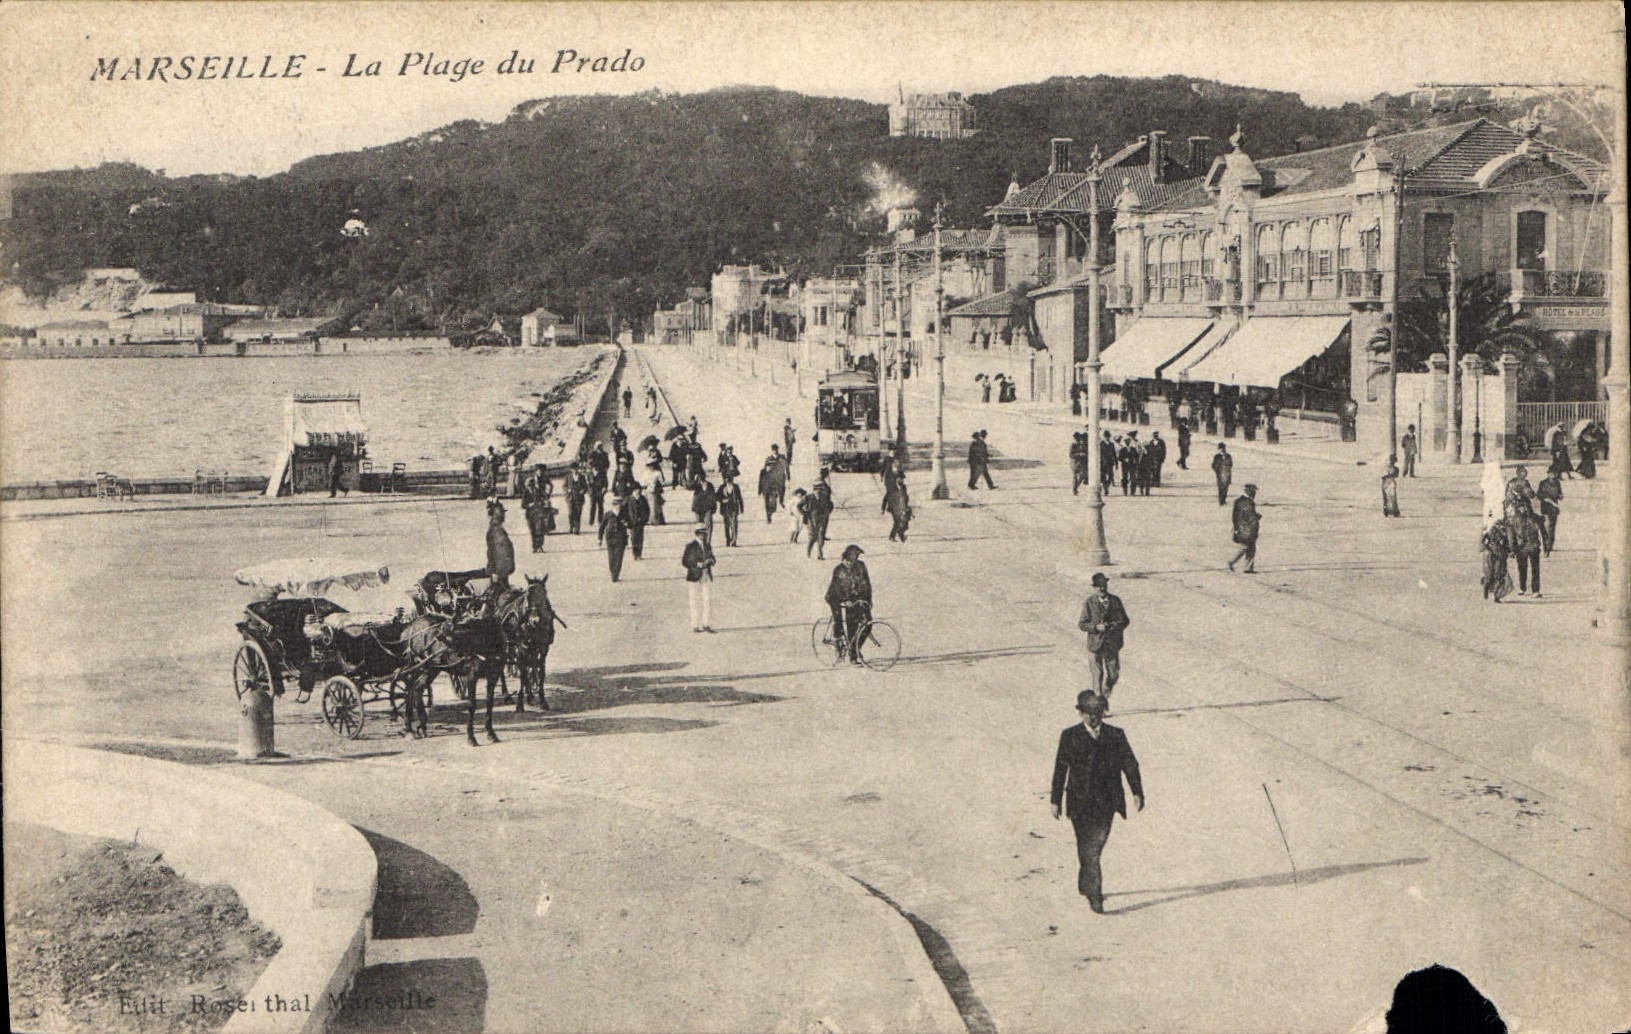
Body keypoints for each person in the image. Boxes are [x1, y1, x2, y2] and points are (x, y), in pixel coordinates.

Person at [1050, 690, 1144, 914]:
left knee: (1094, 847)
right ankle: (1095, 893)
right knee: (1088, 848)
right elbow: (1060, 769)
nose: (1093, 718)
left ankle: (1087, 881)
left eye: (1098, 713)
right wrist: (1055, 800)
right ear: (1080, 713)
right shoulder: (1069, 736)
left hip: (1107, 802)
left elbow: (1130, 764)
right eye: (1089, 713)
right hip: (1079, 803)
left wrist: (1137, 792)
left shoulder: (1116, 735)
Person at [1078, 573, 1130, 699]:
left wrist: (1112, 626)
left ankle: (1105, 695)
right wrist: (1096, 627)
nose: (1101, 588)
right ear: (1094, 588)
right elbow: (1082, 624)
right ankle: (1099, 703)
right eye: (1098, 586)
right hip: (1095, 644)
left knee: (1114, 674)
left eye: (1103, 585)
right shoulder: (1089, 602)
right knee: (1097, 674)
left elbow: (1125, 621)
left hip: (1112, 644)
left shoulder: (1115, 601)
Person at [825, 544, 873, 664]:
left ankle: (855, 648)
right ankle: (843, 649)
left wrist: (868, 599)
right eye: (848, 560)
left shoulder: (861, 566)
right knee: (842, 623)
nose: (850, 563)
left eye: (853, 560)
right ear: (843, 559)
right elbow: (836, 588)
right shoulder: (839, 570)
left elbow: (867, 583)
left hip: (855, 598)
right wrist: (845, 600)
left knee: (868, 623)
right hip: (836, 598)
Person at [682, 525, 715, 632]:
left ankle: (706, 624)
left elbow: (713, 558)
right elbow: (685, 562)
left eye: (704, 533)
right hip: (694, 575)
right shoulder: (690, 546)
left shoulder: (707, 545)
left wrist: (711, 561)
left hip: (706, 574)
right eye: (701, 533)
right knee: (694, 600)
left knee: (707, 599)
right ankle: (695, 625)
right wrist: (698, 564)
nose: (703, 535)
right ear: (696, 533)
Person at [1510, 502, 1543, 598]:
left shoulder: (1536, 518)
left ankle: (1535, 590)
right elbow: (1512, 535)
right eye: (1521, 507)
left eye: (1525, 507)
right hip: (1521, 548)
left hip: (1534, 546)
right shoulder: (1515, 520)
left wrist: (1545, 546)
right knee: (1522, 569)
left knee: (1535, 569)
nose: (1524, 509)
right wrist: (1512, 549)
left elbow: (1543, 531)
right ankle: (1522, 588)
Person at [1228, 483, 1261, 573]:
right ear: (1249, 491)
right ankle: (1232, 562)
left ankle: (1248, 567)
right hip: (1247, 529)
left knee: (1250, 547)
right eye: (1254, 491)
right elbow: (1248, 516)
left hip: (1241, 527)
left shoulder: (1239, 501)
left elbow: (1236, 516)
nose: (1255, 493)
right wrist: (1257, 517)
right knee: (1246, 547)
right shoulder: (1247, 502)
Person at [485, 500, 516, 592]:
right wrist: (497, 572)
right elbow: (500, 553)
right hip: (500, 572)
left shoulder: (495, 529)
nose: (503, 515)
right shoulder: (497, 531)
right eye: (500, 513)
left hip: (500, 571)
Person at [1481, 517, 1514, 603]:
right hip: (1492, 555)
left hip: (1501, 556)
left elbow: (1509, 544)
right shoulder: (1491, 531)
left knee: (1500, 575)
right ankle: (1486, 586)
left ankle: (1497, 596)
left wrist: (1511, 552)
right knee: (1490, 574)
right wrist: (1487, 549)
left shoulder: (1507, 533)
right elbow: (1483, 542)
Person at [598, 494, 629, 583]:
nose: (617, 506)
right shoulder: (608, 514)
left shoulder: (624, 514)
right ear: (613, 505)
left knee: (619, 557)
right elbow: (602, 527)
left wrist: (627, 524)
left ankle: (616, 574)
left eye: (619, 505)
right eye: (615, 504)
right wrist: (599, 539)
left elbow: (630, 524)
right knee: (611, 557)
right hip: (610, 538)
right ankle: (613, 573)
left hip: (621, 538)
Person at [807, 478, 834, 560]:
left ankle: (820, 555)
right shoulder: (809, 497)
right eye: (817, 490)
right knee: (813, 538)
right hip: (812, 521)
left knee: (821, 538)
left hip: (822, 520)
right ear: (814, 489)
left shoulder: (824, 497)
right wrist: (805, 513)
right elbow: (799, 506)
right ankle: (808, 551)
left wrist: (828, 512)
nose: (819, 491)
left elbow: (831, 505)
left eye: (820, 489)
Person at [758, 450, 786, 523]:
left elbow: (778, 481)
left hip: (773, 490)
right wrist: (759, 490)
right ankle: (768, 516)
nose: (771, 467)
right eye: (770, 466)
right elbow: (760, 481)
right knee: (766, 503)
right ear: (767, 465)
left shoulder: (775, 472)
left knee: (773, 504)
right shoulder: (763, 471)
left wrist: (778, 490)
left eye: (772, 466)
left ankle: (771, 512)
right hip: (765, 490)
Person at [886, 465, 912, 542]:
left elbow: (905, 497)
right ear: (897, 479)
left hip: (903, 507)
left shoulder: (904, 487)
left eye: (903, 479)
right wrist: (883, 507)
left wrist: (906, 507)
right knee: (897, 522)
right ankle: (899, 537)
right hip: (894, 507)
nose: (902, 480)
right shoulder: (892, 487)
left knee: (904, 525)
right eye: (901, 479)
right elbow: (886, 497)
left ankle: (896, 535)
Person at [626, 483, 651, 560]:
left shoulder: (643, 499)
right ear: (633, 491)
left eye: (639, 490)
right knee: (633, 538)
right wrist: (626, 520)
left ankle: (639, 554)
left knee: (640, 538)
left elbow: (647, 509)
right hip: (632, 522)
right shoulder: (629, 499)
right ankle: (635, 554)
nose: (638, 491)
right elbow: (624, 510)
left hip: (641, 522)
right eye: (636, 490)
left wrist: (645, 518)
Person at [718, 475, 744, 547]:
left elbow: (739, 497)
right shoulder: (722, 487)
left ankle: (734, 541)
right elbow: (717, 497)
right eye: (727, 479)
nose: (728, 481)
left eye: (730, 479)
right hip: (725, 509)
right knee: (727, 525)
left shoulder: (736, 487)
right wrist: (722, 500)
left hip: (734, 508)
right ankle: (728, 539)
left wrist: (742, 507)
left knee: (734, 524)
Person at [691, 475, 718, 543]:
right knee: (699, 526)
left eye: (701, 477)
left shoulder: (710, 485)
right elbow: (688, 486)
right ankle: (701, 542)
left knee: (708, 525)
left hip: (707, 508)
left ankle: (708, 542)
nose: (701, 479)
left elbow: (713, 496)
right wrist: (695, 481)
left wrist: (714, 507)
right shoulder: (696, 485)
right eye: (699, 477)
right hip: (698, 508)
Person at [564, 464, 588, 535]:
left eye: (576, 469)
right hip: (570, 498)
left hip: (579, 498)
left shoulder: (582, 477)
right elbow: (564, 486)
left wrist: (583, 490)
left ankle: (577, 529)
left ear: (578, 469)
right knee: (570, 513)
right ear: (571, 470)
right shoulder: (568, 477)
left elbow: (586, 487)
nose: (575, 470)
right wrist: (567, 489)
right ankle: (571, 526)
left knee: (578, 513)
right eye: (573, 469)